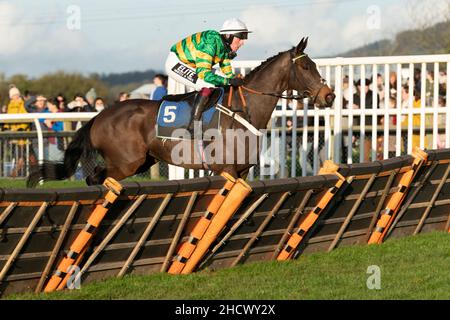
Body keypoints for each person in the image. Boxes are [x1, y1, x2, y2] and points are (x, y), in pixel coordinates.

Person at [165, 18, 251, 131]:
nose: (243, 42)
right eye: (240, 37)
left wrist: (232, 79)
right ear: (228, 36)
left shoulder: (224, 46)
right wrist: (229, 81)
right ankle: (193, 125)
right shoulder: (210, 42)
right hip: (176, 63)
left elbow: (226, 70)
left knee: (222, 80)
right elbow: (204, 74)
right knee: (206, 84)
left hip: (193, 65)